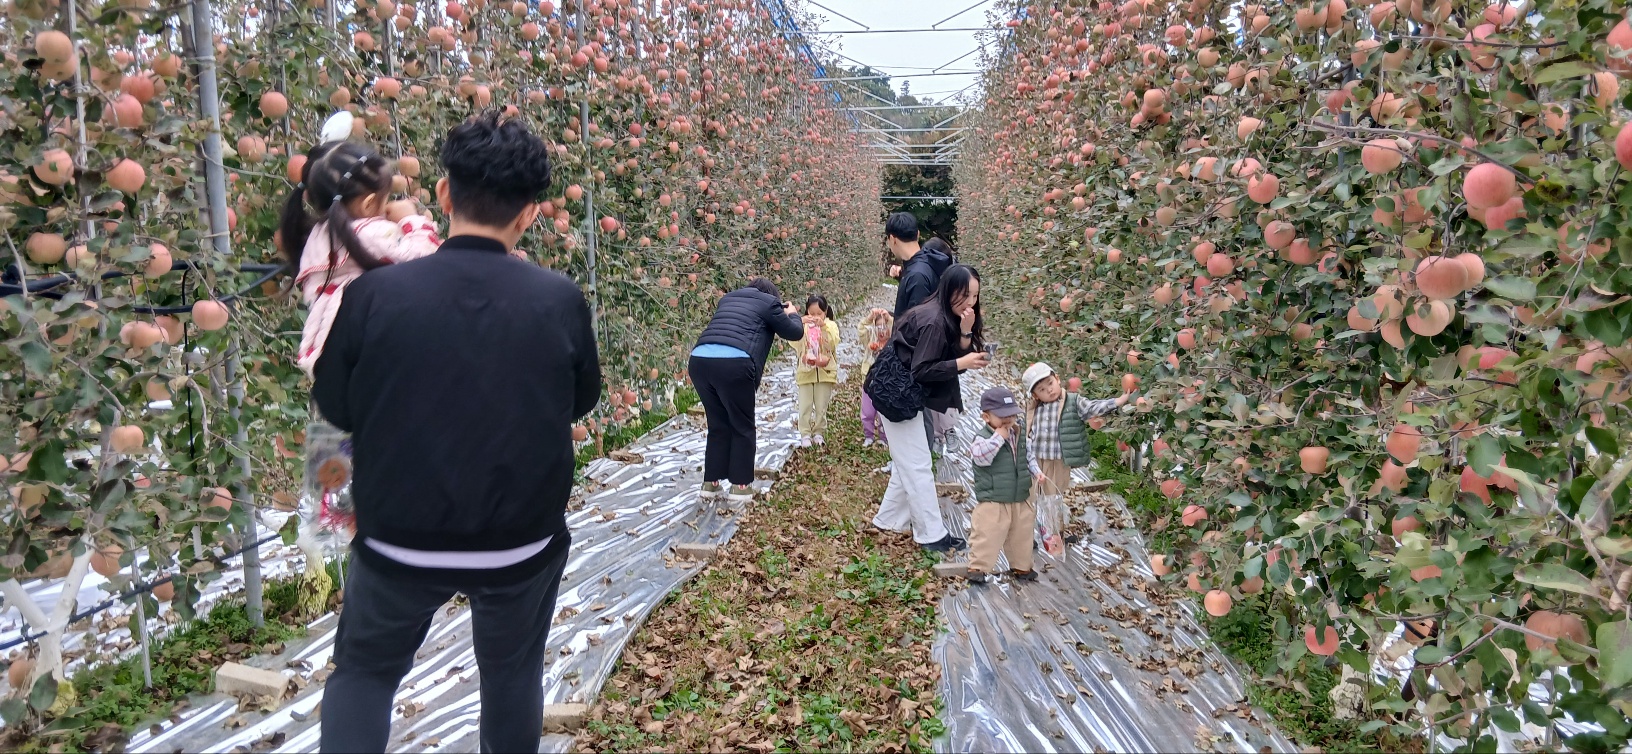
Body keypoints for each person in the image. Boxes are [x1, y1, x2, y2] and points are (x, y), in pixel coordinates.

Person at [313, 111, 600, 754]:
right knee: (512, 676)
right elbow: (581, 400)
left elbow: (336, 407)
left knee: (364, 674)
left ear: (443, 194)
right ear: (529, 214)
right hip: (518, 541)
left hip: (399, 539)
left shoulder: (375, 295)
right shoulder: (557, 299)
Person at [280, 140, 442, 378]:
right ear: (368, 204)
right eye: (386, 200)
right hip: (379, 341)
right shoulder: (371, 232)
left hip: (337, 350)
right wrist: (412, 221)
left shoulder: (317, 237)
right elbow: (425, 260)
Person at [872, 265, 990, 552]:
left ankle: (889, 519)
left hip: (899, 390)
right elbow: (922, 370)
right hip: (896, 393)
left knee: (909, 461)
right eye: (964, 294)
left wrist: (965, 333)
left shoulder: (946, 315)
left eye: (975, 296)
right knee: (918, 465)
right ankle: (931, 534)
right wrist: (962, 362)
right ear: (949, 289)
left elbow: (949, 360)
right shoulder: (934, 321)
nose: (970, 302)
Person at [689, 278, 804, 501]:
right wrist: (792, 314)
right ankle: (740, 487)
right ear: (773, 295)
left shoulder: (727, 299)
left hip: (699, 360)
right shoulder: (770, 303)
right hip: (734, 364)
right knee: (742, 425)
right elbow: (795, 333)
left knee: (718, 424)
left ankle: (710, 484)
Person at [1022, 362, 1134, 555]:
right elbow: (1025, 430)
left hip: (1056, 462)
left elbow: (1093, 407)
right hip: (1034, 460)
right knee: (1029, 497)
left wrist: (1117, 401)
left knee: (1053, 499)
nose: (1049, 390)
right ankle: (1026, 535)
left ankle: (1055, 535)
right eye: (1042, 389)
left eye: (1050, 384)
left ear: (1057, 379)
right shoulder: (1034, 408)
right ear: (1035, 395)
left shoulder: (1073, 402)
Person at [967, 386, 1045, 583]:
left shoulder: (1018, 435)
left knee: (1022, 535)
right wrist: (998, 438)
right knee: (987, 534)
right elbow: (981, 458)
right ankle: (978, 567)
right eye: (1002, 416)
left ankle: (1021, 567)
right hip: (994, 498)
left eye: (1011, 415)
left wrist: (1036, 471)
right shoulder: (983, 438)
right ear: (986, 417)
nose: (1008, 420)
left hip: (1020, 496)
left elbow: (1028, 456)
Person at [886, 212, 953, 319]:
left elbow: (917, 324)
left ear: (892, 239)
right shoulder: (930, 262)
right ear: (918, 234)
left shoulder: (916, 276)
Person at [794, 294, 839, 448]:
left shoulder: (830, 325)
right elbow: (794, 342)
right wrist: (798, 324)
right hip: (806, 372)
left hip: (825, 372)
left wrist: (823, 327)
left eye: (819, 313)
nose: (815, 317)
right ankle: (805, 434)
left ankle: (819, 432)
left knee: (821, 406)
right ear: (807, 311)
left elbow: (832, 343)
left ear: (825, 312)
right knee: (804, 406)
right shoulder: (804, 326)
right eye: (811, 313)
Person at [857, 308, 893, 447]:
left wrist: (889, 318)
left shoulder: (893, 343)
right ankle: (869, 435)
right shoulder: (870, 341)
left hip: (886, 382)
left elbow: (898, 327)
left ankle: (884, 437)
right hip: (870, 381)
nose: (881, 331)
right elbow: (861, 330)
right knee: (867, 411)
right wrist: (869, 317)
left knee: (884, 412)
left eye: (884, 326)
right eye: (878, 327)